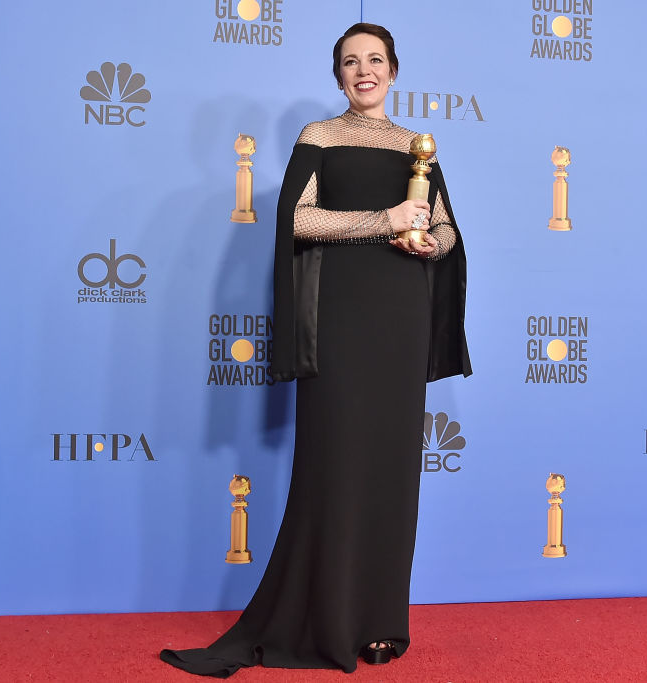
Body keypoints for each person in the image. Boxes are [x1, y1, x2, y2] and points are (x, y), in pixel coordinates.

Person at [160, 22, 470, 677]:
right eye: (351, 61)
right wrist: (384, 220)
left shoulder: (416, 147)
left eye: (375, 59)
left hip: (402, 316)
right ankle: (328, 618)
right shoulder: (320, 137)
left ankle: (381, 623)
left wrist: (424, 241)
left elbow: (446, 231)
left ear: (394, 70)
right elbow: (296, 220)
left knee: (392, 468)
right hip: (339, 316)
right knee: (337, 461)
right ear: (338, 76)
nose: (365, 70)